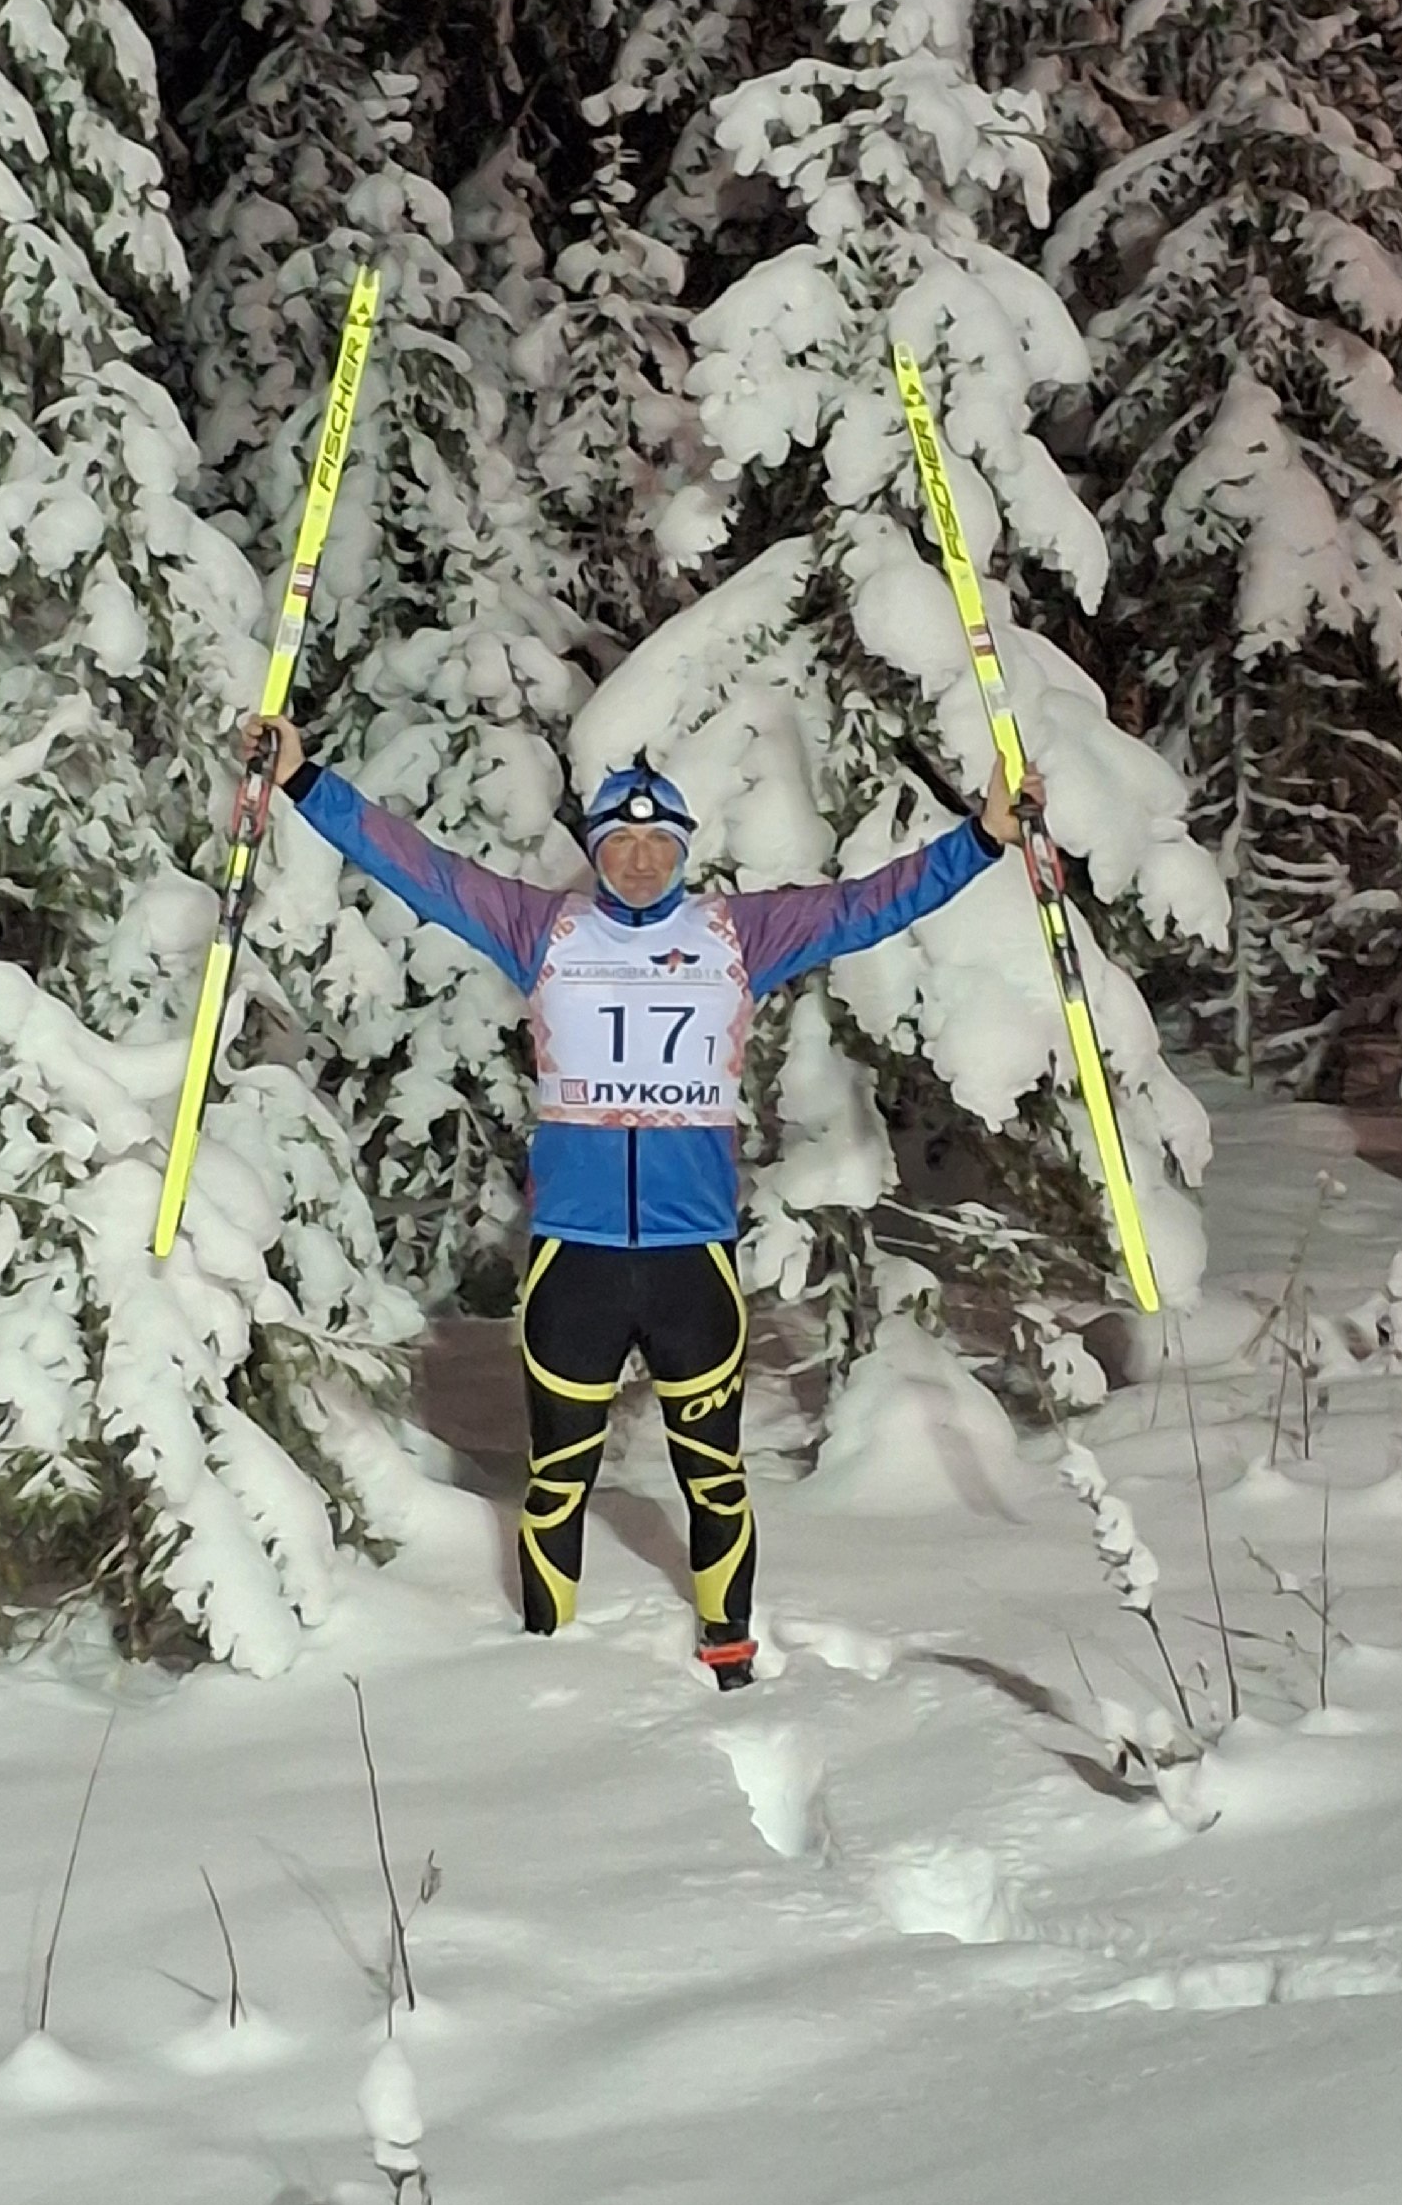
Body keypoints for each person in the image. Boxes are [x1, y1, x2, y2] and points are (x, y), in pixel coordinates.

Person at [246, 712, 1040, 1688]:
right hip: (575, 1260)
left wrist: (986, 838)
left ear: (682, 853)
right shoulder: (545, 930)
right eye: (616, 843)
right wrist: (301, 780)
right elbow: (420, 866)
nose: (634, 859)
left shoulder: (737, 935)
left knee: (714, 1474)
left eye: (655, 843)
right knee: (557, 1481)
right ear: (593, 851)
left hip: (689, 1261)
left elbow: (868, 904)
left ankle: (733, 1657)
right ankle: (547, 1659)